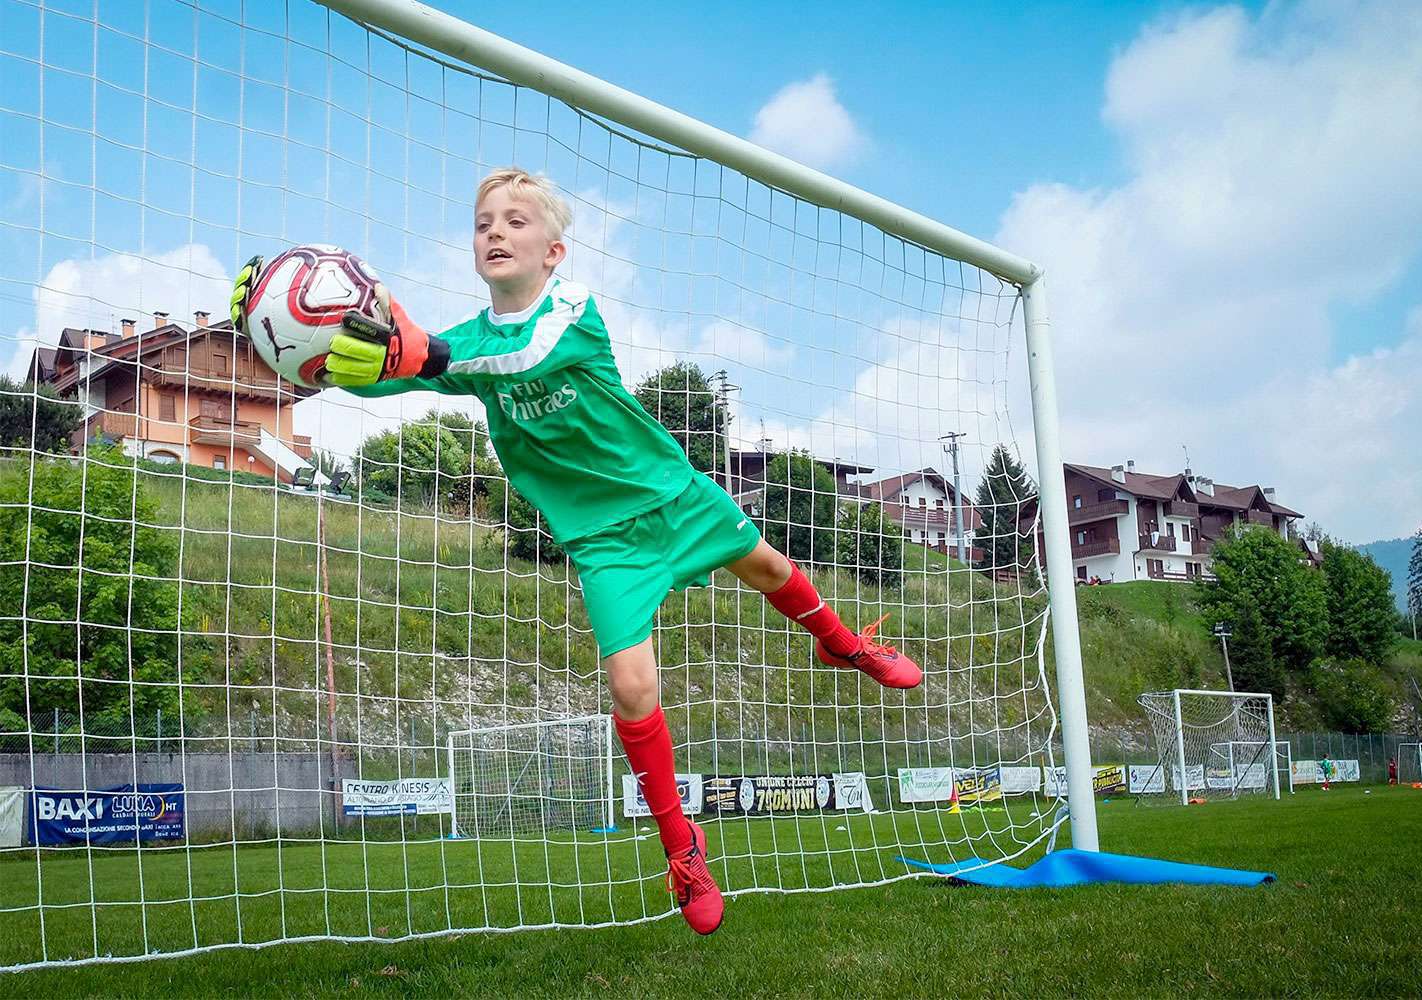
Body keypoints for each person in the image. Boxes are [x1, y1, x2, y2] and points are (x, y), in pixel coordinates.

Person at [230, 168, 922, 936]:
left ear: (554, 250)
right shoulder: (467, 342)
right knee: (632, 685)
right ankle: (682, 849)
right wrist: (281, 336)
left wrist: (424, 352)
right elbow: (395, 374)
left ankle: (845, 646)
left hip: (673, 496)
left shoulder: (571, 311)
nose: (495, 231)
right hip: (603, 543)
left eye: (516, 221)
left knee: (768, 568)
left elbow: (519, 358)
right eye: (484, 220)